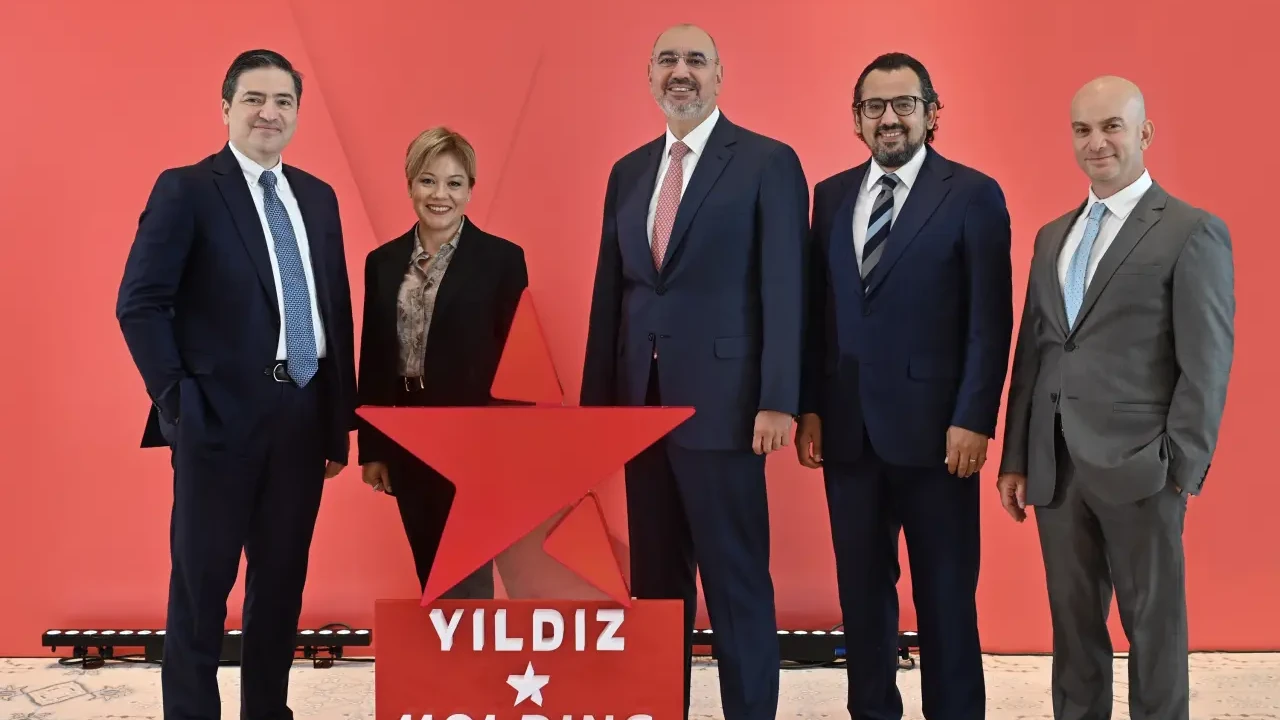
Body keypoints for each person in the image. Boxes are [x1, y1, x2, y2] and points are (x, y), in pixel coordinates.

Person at [115, 49, 357, 720]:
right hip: (216, 420)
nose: (268, 112)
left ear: (297, 114)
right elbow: (140, 303)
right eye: (254, 98)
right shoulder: (187, 190)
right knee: (202, 591)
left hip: (302, 417)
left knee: (280, 589)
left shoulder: (318, 197)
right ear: (225, 108)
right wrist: (179, 403)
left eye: (283, 101)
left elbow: (335, 311)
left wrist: (336, 424)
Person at [580, 23, 809, 720]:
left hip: (728, 408)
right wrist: (597, 414)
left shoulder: (767, 162)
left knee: (736, 582)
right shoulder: (628, 171)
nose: (681, 72)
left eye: (696, 60)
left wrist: (779, 398)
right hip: (640, 411)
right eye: (668, 60)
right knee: (655, 587)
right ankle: (660, 708)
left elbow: (785, 288)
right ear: (650, 74)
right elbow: (611, 294)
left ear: (719, 75)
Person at [997, 75, 1235, 720]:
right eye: (1082, 130)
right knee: (1072, 631)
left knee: (1154, 632)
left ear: (1145, 133)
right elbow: (1034, 353)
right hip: (1056, 466)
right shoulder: (1053, 236)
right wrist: (1016, 457)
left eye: (1111, 127)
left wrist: (1180, 465)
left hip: (1142, 467)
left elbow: (1207, 361)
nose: (1096, 142)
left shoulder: (1190, 230)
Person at [796, 52, 1014, 720]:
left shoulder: (973, 194)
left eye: (903, 104)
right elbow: (819, 312)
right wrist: (810, 407)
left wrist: (974, 418)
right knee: (862, 598)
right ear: (856, 118)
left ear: (932, 112)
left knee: (946, 596)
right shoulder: (831, 195)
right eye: (874, 107)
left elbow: (989, 320)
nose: (888, 118)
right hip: (848, 433)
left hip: (939, 435)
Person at [355, 126, 528, 599]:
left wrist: (511, 450)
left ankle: (470, 650)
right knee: (430, 571)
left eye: (454, 183)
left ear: (470, 190)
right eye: (428, 181)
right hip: (407, 435)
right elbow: (374, 356)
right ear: (410, 184)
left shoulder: (502, 260)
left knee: (467, 573)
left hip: (477, 441)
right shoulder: (382, 262)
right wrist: (373, 448)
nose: (440, 195)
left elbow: (518, 361)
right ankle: (444, 647)